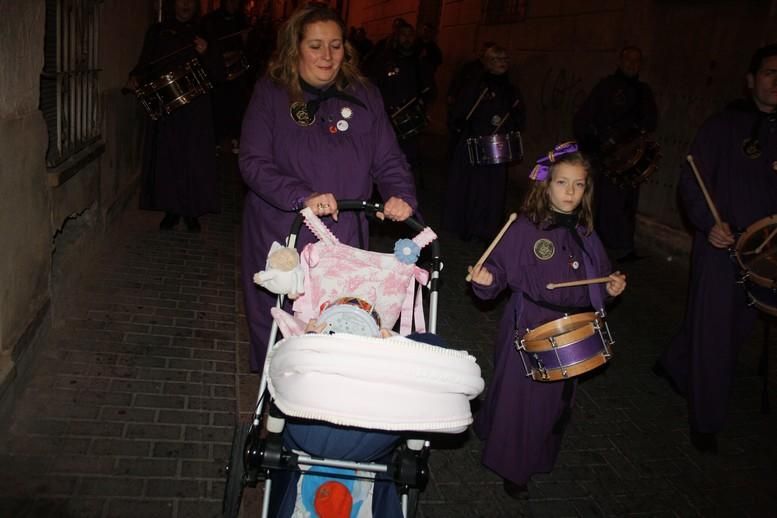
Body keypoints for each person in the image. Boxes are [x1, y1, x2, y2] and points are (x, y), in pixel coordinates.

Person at [239, 3, 417, 372]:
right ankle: (276, 403)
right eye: (316, 45)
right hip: (284, 233)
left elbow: (388, 158)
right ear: (295, 48)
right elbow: (253, 162)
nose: (327, 55)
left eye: (335, 45)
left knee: (341, 327)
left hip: (344, 236)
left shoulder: (365, 94)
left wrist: (401, 195)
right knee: (283, 327)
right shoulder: (272, 93)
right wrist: (302, 195)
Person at [468, 142, 626, 499]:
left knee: (553, 404)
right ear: (546, 184)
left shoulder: (586, 232)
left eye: (579, 184)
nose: (570, 192)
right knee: (520, 399)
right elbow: (495, 269)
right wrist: (487, 280)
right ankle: (513, 468)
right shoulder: (524, 227)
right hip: (528, 324)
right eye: (562, 183)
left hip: (570, 329)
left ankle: (523, 449)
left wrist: (612, 287)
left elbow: (599, 279)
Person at [654, 44, 777, 453]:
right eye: (769, 72)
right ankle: (706, 419)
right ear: (751, 80)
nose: (776, 81)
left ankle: (674, 363)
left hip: (767, 254)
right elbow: (692, 181)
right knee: (714, 332)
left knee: (736, 328)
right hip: (722, 246)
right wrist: (708, 224)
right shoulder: (723, 126)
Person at [128, 0, 223, 232]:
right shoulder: (158, 32)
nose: (185, 5)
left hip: (196, 110)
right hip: (167, 108)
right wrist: (135, 77)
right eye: (181, 0)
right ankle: (171, 210)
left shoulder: (205, 32)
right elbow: (145, 63)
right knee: (168, 159)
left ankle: (191, 211)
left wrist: (207, 52)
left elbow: (219, 73)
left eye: (190, 1)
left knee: (194, 159)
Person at [573, 46, 658, 261]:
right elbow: (584, 118)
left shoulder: (644, 91)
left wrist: (632, 141)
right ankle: (598, 247)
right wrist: (598, 145)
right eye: (628, 59)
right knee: (603, 202)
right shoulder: (606, 87)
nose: (632, 64)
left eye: (636, 60)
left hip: (630, 161)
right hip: (606, 159)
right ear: (620, 61)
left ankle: (623, 246)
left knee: (627, 204)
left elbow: (651, 122)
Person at [442, 45, 525, 243]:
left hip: (497, 146)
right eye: (497, 59)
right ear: (488, 63)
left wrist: (514, 120)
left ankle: (488, 230)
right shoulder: (476, 86)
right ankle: (469, 227)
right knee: (473, 188)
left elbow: (519, 115)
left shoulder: (511, 90)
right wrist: (461, 122)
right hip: (474, 143)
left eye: (505, 57)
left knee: (494, 190)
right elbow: (461, 111)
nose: (502, 62)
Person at [367, 20, 434, 172]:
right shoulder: (384, 59)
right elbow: (373, 84)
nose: (407, 38)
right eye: (403, 35)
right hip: (387, 116)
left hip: (409, 119)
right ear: (396, 37)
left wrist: (424, 102)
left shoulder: (420, 61)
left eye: (410, 35)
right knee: (382, 157)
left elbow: (429, 88)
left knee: (407, 160)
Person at [201, 0, 250, 154]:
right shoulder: (210, 19)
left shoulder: (241, 19)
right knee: (217, 104)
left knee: (237, 103)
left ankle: (236, 137)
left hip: (237, 70)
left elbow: (246, 45)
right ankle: (215, 140)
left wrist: (245, 39)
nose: (234, 4)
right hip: (217, 70)